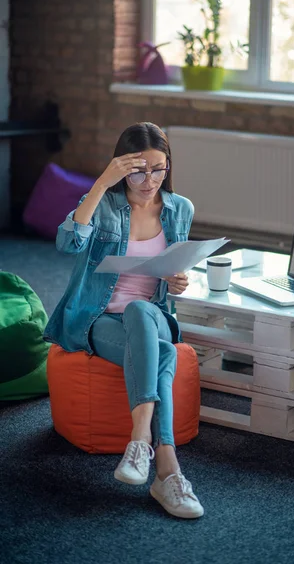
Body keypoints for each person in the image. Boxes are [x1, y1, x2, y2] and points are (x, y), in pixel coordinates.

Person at [44, 122, 204, 519]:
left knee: (139, 311)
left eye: (158, 169)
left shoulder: (180, 208)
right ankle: (167, 471)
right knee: (164, 358)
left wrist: (180, 278)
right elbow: (68, 243)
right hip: (99, 318)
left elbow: (173, 271)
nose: (149, 180)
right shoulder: (105, 203)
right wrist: (101, 184)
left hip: (155, 314)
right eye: (138, 170)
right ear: (120, 166)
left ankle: (138, 442)